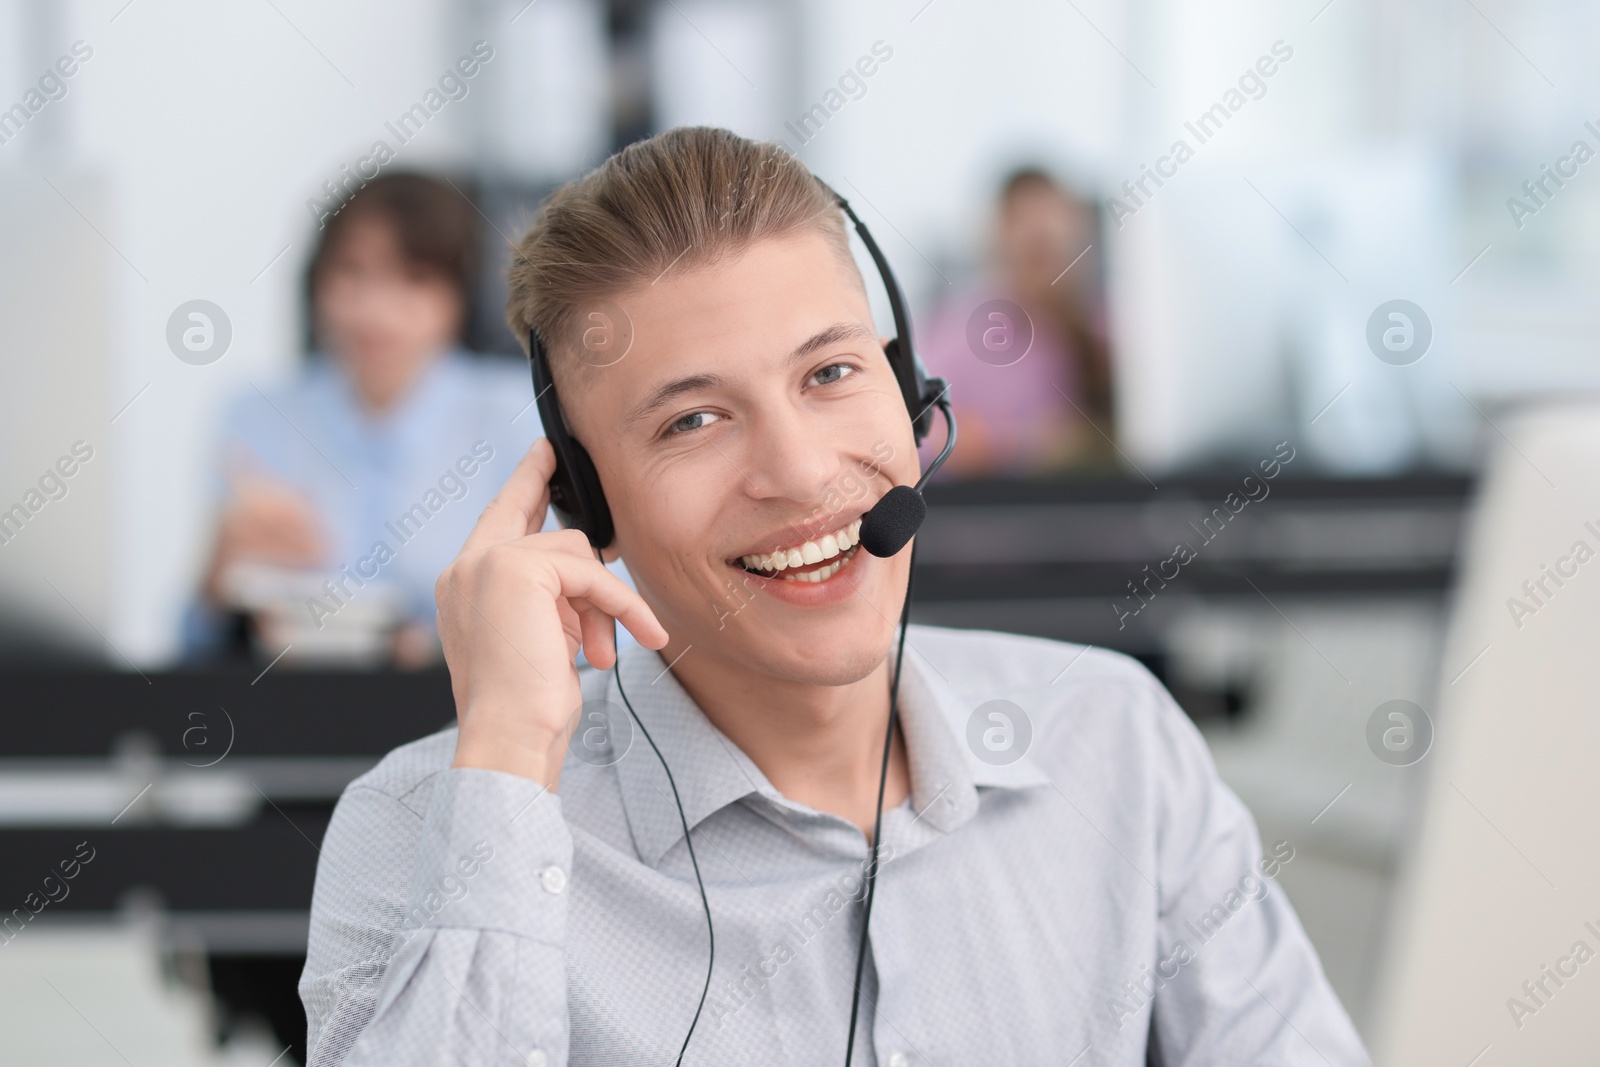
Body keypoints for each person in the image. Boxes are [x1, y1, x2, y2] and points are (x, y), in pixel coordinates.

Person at [299, 128, 1368, 1065]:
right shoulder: (419, 826)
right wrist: (506, 763)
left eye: (829, 375)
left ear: (908, 396)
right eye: (691, 421)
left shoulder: (1114, 740)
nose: (802, 472)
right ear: (584, 502)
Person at [185, 173, 620, 667]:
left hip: (467, 706)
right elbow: (191, 645)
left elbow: (607, 625)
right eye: (351, 272)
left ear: (459, 301)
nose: (375, 309)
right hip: (293, 706)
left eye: (413, 279)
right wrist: (218, 586)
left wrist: (450, 639)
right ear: (316, 283)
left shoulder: (520, 412)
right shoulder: (257, 415)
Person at [917, 166, 1116, 477]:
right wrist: (1025, 442)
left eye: (1055, 245)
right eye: (1034, 247)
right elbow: (924, 432)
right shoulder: (962, 329)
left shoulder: (1100, 326)